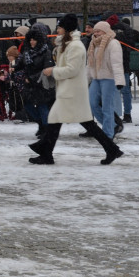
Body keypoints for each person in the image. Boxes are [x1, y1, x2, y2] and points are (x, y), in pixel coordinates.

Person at [28, 13, 123, 166]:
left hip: (71, 92)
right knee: (73, 122)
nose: (57, 30)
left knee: (58, 119)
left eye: (60, 27)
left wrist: (53, 71)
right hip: (68, 90)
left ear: (67, 29)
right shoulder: (66, 45)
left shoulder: (75, 46)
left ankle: (46, 153)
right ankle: (111, 149)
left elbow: (72, 70)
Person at [86, 21, 125, 140]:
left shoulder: (113, 43)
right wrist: (86, 79)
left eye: (99, 31)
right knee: (92, 104)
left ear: (106, 31)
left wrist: (119, 81)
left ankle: (107, 134)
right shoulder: (93, 43)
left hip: (109, 78)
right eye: (95, 30)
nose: (96, 33)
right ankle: (112, 125)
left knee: (107, 107)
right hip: (96, 78)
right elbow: (90, 64)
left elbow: (117, 63)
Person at [16, 27, 55, 137]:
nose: (32, 42)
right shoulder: (27, 52)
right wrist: (14, 68)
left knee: (42, 106)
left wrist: (32, 78)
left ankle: (46, 128)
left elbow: (47, 69)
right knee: (28, 105)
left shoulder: (46, 52)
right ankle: (41, 124)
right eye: (30, 40)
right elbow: (21, 64)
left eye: (34, 40)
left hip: (41, 83)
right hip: (29, 84)